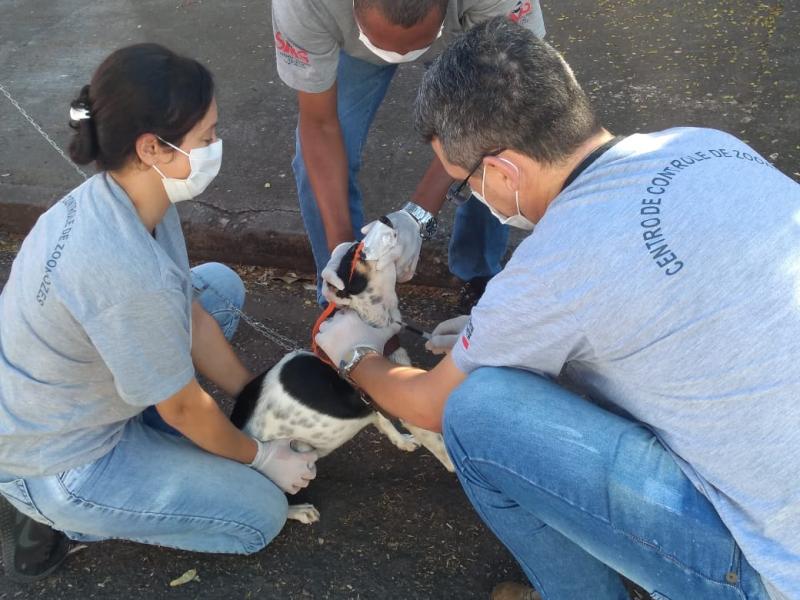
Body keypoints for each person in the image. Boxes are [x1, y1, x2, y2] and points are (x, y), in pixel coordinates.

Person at [314, 17, 800, 600]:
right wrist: (500, 333)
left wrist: (353, 356)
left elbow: (427, 406)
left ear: (501, 171)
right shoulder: (705, 145)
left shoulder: (555, 261)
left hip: (771, 569)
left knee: (478, 413)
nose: (474, 195)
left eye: (465, 185)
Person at [0, 43, 318, 583]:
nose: (217, 146)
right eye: (207, 137)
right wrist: (259, 456)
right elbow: (185, 410)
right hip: (62, 458)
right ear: (152, 148)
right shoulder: (126, 272)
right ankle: (60, 516)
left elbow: (190, 314)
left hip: (55, 395)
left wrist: (256, 394)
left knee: (218, 287)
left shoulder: (129, 198)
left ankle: (148, 455)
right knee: (259, 519)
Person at [271, 0, 545, 309]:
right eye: (384, 44)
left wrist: (416, 216)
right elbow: (319, 125)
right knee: (313, 166)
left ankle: (479, 276)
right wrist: (347, 255)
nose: (400, 55)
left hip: (461, 40)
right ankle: (343, 300)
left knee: (504, 149)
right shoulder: (303, 5)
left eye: (414, 45)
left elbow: (502, 108)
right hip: (354, 44)